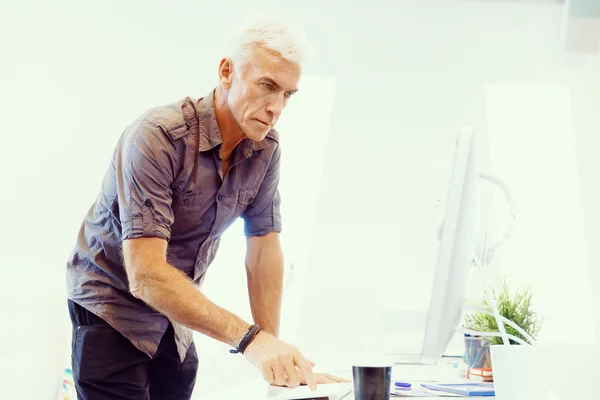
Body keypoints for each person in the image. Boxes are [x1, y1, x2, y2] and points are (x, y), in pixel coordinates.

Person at [65, 15, 347, 400]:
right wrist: (251, 340)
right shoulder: (158, 137)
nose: (276, 106)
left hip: (175, 315)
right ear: (227, 72)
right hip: (113, 308)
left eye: (287, 94)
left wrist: (272, 352)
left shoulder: (265, 150)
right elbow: (146, 276)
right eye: (267, 86)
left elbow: (263, 250)